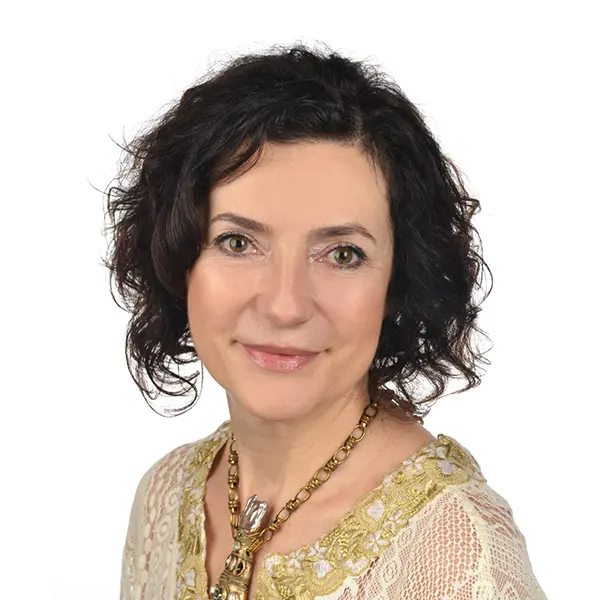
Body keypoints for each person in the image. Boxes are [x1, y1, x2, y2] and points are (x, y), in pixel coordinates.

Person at [104, 43, 547, 600]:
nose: (285, 305)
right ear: (178, 258)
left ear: (399, 282)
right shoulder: (165, 496)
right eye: (237, 242)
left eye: (342, 254)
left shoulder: (455, 553)